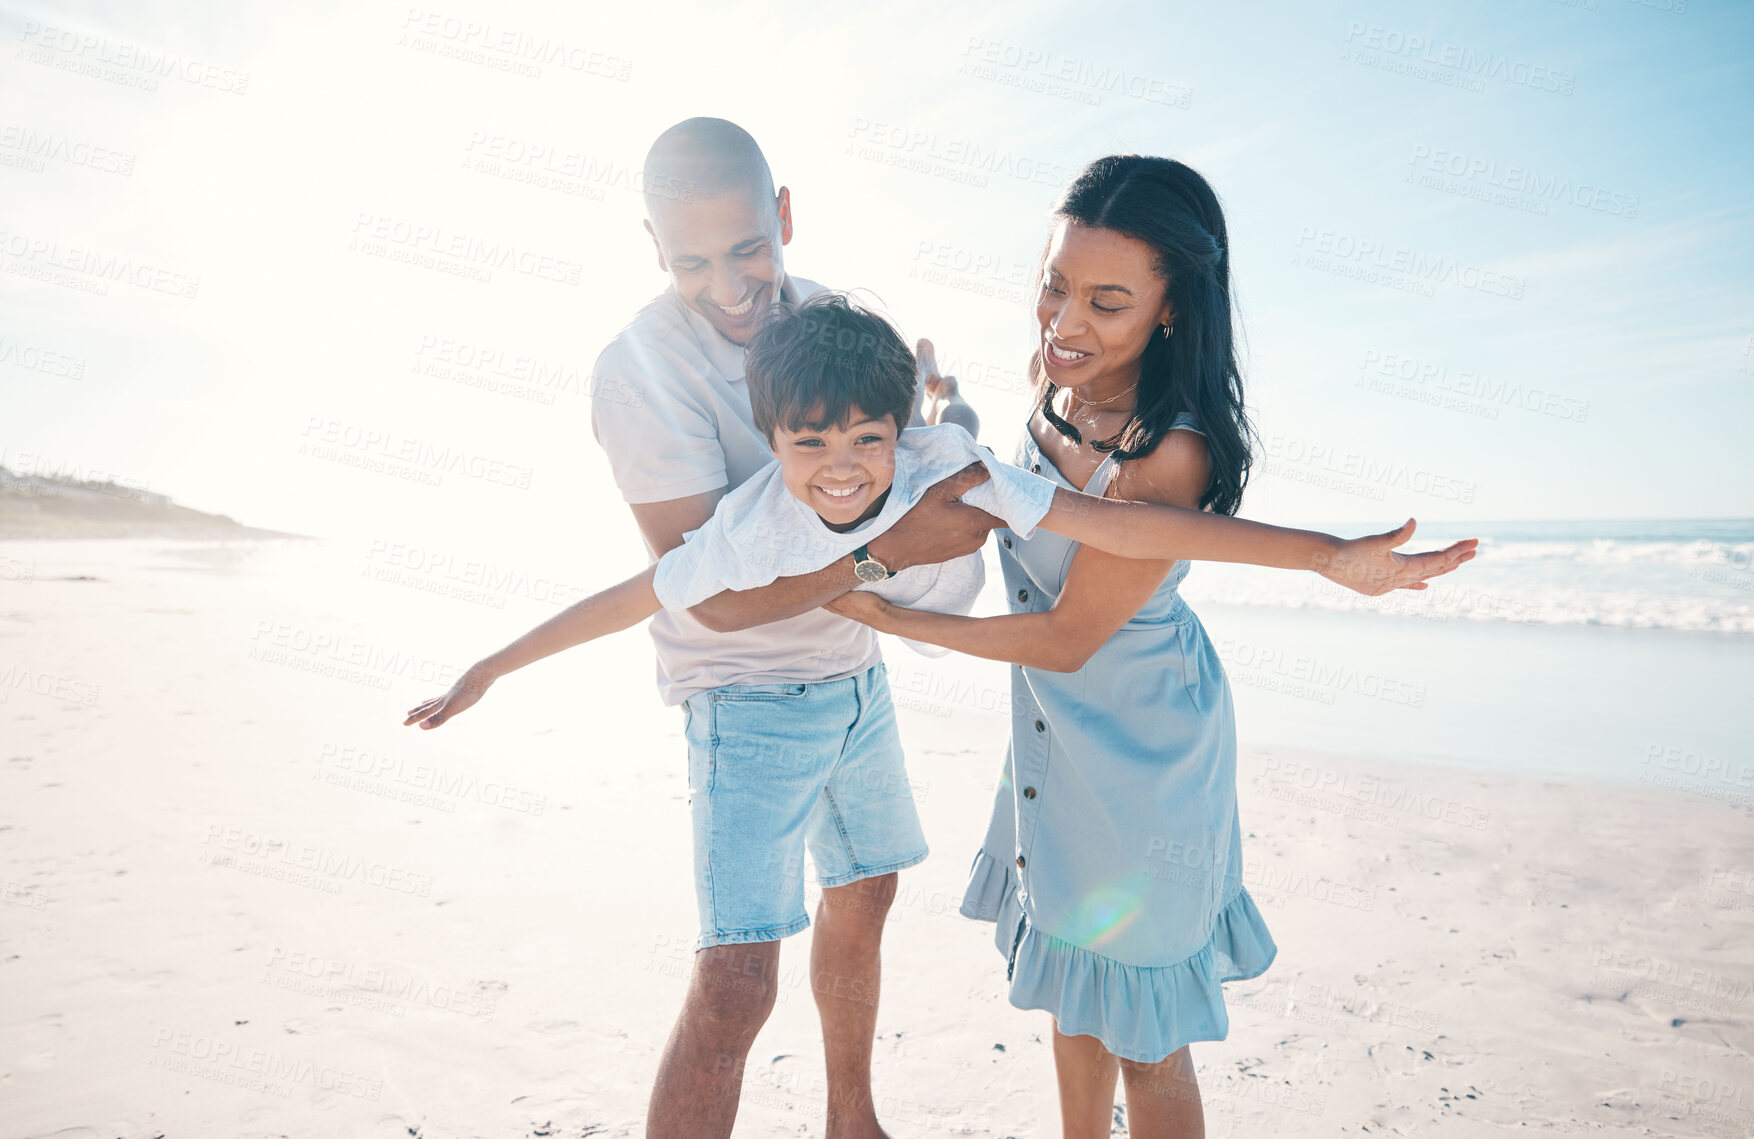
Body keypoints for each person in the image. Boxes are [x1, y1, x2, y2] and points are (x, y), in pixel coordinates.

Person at [825, 154, 1453, 1138]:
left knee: (1148, 1046)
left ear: (1168, 310)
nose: (1063, 324)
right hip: (1050, 739)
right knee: (1077, 990)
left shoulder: (1169, 449)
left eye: (1105, 302)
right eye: (1053, 284)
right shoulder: (1057, 384)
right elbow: (1009, 477)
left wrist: (894, 617)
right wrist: (943, 405)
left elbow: (1070, 632)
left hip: (1140, 752)